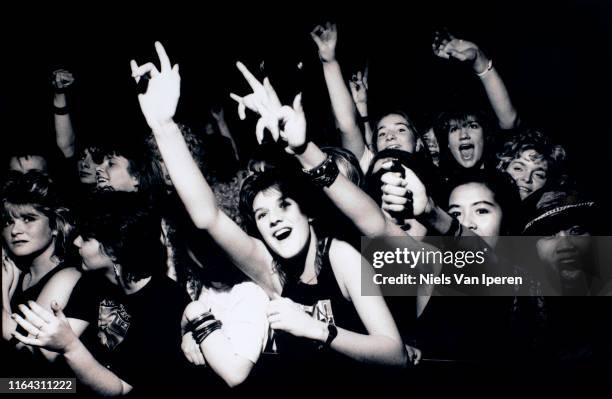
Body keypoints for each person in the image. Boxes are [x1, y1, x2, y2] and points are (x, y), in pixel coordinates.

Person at [130, 43, 407, 387]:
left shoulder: (341, 257)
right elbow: (208, 217)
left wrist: (317, 330)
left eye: (284, 204)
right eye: (261, 214)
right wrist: (164, 127)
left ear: (308, 213)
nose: (273, 218)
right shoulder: (268, 268)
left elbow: (396, 356)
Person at [12, 192, 191, 397]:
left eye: (86, 238)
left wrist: (70, 346)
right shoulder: (95, 283)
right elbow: (46, 356)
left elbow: (118, 389)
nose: (77, 242)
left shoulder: (166, 302)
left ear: (114, 249)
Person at [2, 171, 79, 375]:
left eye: (28, 219)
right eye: (8, 222)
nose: (15, 230)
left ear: (55, 225)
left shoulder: (69, 275)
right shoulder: (16, 272)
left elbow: (26, 353)